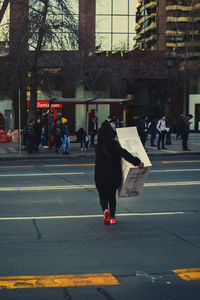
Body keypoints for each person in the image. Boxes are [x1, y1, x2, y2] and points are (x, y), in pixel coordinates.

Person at [94, 117, 144, 226]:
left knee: (102, 196)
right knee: (112, 195)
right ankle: (112, 217)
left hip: (100, 175)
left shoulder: (97, 146)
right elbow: (124, 153)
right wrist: (138, 162)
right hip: (113, 175)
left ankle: (105, 211)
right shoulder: (114, 145)